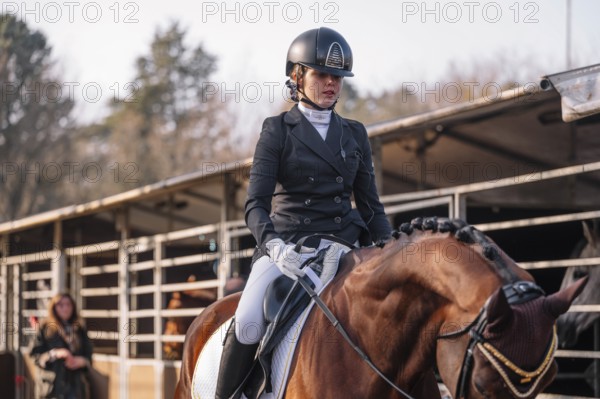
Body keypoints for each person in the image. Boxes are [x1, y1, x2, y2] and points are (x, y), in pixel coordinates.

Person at [215, 27, 392, 399]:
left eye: (337, 77)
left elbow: (371, 205)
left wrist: (390, 246)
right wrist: (274, 246)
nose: (331, 83)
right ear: (297, 76)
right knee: (247, 322)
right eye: (320, 74)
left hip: (344, 246)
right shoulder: (277, 130)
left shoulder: (355, 133)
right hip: (288, 248)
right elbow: (255, 205)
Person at [30, 292, 93, 399]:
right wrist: (55, 353)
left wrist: (82, 361)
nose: (65, 308)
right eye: (61, 305)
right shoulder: (45, 328)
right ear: (54, 307)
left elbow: (89, 355)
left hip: (75, 388)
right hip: (51, 388)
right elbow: (35, 356)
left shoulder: (79, 328)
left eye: (68, 304)